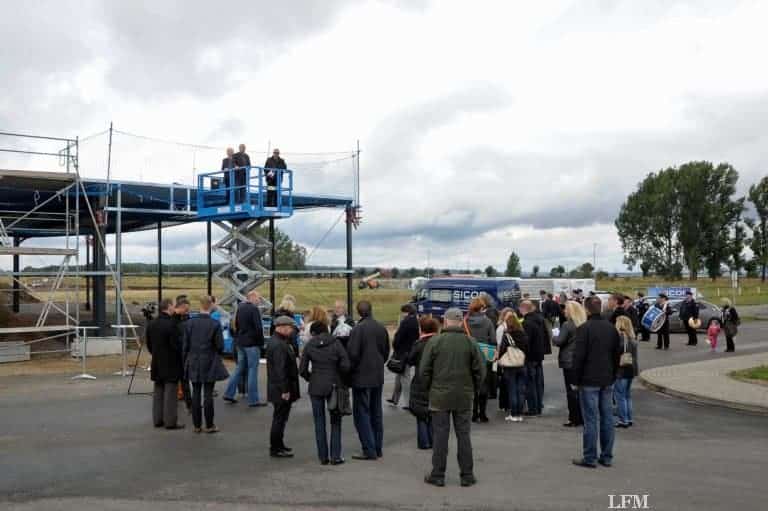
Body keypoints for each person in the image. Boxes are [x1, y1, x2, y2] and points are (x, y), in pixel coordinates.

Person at [420, 308, 486, 487]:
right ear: (460, 321)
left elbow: (423, 370)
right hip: (464, 396)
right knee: (464, 435)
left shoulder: (435, 342)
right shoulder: (470, 342)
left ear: (446, 321)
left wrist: (429, 389)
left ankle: (438, 474)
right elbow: (481, 370)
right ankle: (467, 475)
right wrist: (474, 388)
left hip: (439, 396)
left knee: (440, 435)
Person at [571, 296, 622, 468]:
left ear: (586, 310)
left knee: (591, 420)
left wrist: (575, 380)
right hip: (607, 379)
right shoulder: (611, 328)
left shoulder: (584, 329)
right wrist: (614, 374)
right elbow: (617, 354)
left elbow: (578, 357)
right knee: (607, 418)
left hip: (588, 380)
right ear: (600, 308)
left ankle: (590, 457)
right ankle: (606, 456)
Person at [299, 320, 351, 465]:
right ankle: (336, 456)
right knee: (335, 420)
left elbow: (302, 370)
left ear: (313, 332)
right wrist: (339, 376)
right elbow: (346, 365)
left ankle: (323, 457)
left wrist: (312, 378)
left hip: (316, 386)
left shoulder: (309, 345)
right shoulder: (336, 343)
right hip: (334, 385)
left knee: (319, 421)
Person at [347, 301, 390, 460]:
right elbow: (386, 351)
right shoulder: (381, 327)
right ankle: (377, 448)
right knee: (376, 412)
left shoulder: (358, 329)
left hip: (361, 377)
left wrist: (350, 371)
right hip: (377, 375)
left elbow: (353, 354)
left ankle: (369, 449)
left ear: (359, 313)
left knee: (362, 414)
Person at [183, 296, 229, 434]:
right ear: (211, 306)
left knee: (196, 393)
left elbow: (185, 345)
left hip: (194, 360)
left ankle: (197, 425)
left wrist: (186, 359)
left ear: (200, 305)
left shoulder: (189, 323)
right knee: (208, 394)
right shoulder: (215, 324)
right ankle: (209, 425)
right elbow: (220, 346)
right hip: (210, 360)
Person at [146, 298, 185, 430]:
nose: (175, 308)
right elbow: (177, 345)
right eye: (174, 306)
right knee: (170, 392)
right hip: (171, 362)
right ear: (168, 307)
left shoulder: (152, 324)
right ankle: (170, 421)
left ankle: (157, 419)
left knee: (158, 391)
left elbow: (149, 345)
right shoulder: (171, 324)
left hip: (157, 361)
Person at [223, 291, 266, 407]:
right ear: (251, 297)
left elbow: (234, 325)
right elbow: (258, 328)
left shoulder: (239, 308)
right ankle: (253, 400)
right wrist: (262, 344)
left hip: (239, 342)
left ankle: (229, 393)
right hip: (252, 344)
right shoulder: (253, 309)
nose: (259, 300)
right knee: (252, 370)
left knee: (239, 368)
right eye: (258, 298)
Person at [266, 315, 301, 457]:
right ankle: (276, 447)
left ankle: (278, 445)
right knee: (279, 418)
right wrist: (285, 390)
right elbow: (281, 370)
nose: (292, 330)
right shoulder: (279, 344)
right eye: (291, 328)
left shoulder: (277, 341)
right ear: (283, 327)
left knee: (280, 418)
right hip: (281, 388)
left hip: (277, 387)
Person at [553, 301, 586, 428]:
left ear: (571, 311)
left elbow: (560, 341)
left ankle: (573, 418)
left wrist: (554, 336)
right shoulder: (583, 324)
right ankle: (582, 416)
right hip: (580, 360)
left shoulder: (567, 325)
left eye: (566, 309)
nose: (564, 311)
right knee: (580, 390)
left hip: (568, 360)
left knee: (571, 391)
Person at [408, 316, 440, 450]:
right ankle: (433, 439)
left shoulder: (419, 344)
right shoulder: (439, 342)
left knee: (420, 412)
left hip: (420, 379)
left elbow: (410, 360)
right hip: (436, 379)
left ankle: (424, 441)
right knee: (433, 411)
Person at [465, 298, 495, 423]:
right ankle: (482, 413)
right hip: (484, 355)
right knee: (484, 384)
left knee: (472, 384)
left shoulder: (465, 321)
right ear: (482, 308)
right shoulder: (488, 321)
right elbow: (493, 340)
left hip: (469, 355)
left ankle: (473, 413)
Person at [497, 313, 529, 423]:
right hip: (522, 364)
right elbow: (527, 349)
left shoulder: (507, 335)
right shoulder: (523, 334)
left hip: (510, 366)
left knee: (512, 390)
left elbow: (502, 350)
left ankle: (514, 413)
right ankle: (519, 414)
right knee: (521, 390)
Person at [519, 300, 548, 416]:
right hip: (539, 355)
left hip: (530, 357)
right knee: (538, 383)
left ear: (523, 309)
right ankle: (538, 406)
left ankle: (533, 409)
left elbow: (526, 342)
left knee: (530, 384)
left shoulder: (527, 323)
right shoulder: (539, 319)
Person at [388, 304, 420, 409]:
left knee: (405, 377)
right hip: (410, 351)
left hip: (402, 352)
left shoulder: (405, 322)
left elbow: (398, 337)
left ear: (406, 312)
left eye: (403, 312)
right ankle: (395, 398)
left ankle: (409, 403)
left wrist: (395, 346)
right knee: (399, 374)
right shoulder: (415, 321)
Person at [613, 316, 638, 428]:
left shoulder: (619, 338)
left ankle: (623, 420)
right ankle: (629, 418)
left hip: (621, 370)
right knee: (627, 396)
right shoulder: (632, 338)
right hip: (630, 369)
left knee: (620, 396)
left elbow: (614, 354)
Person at [173, 295, 193, 412]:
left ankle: (188, 402)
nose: (188, 312)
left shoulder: (183, 319)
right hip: (179, 353)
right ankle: (188, 402)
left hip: (181, 353)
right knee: (183, 379)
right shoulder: (177, 322)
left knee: (183, 380)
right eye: (186, 309)